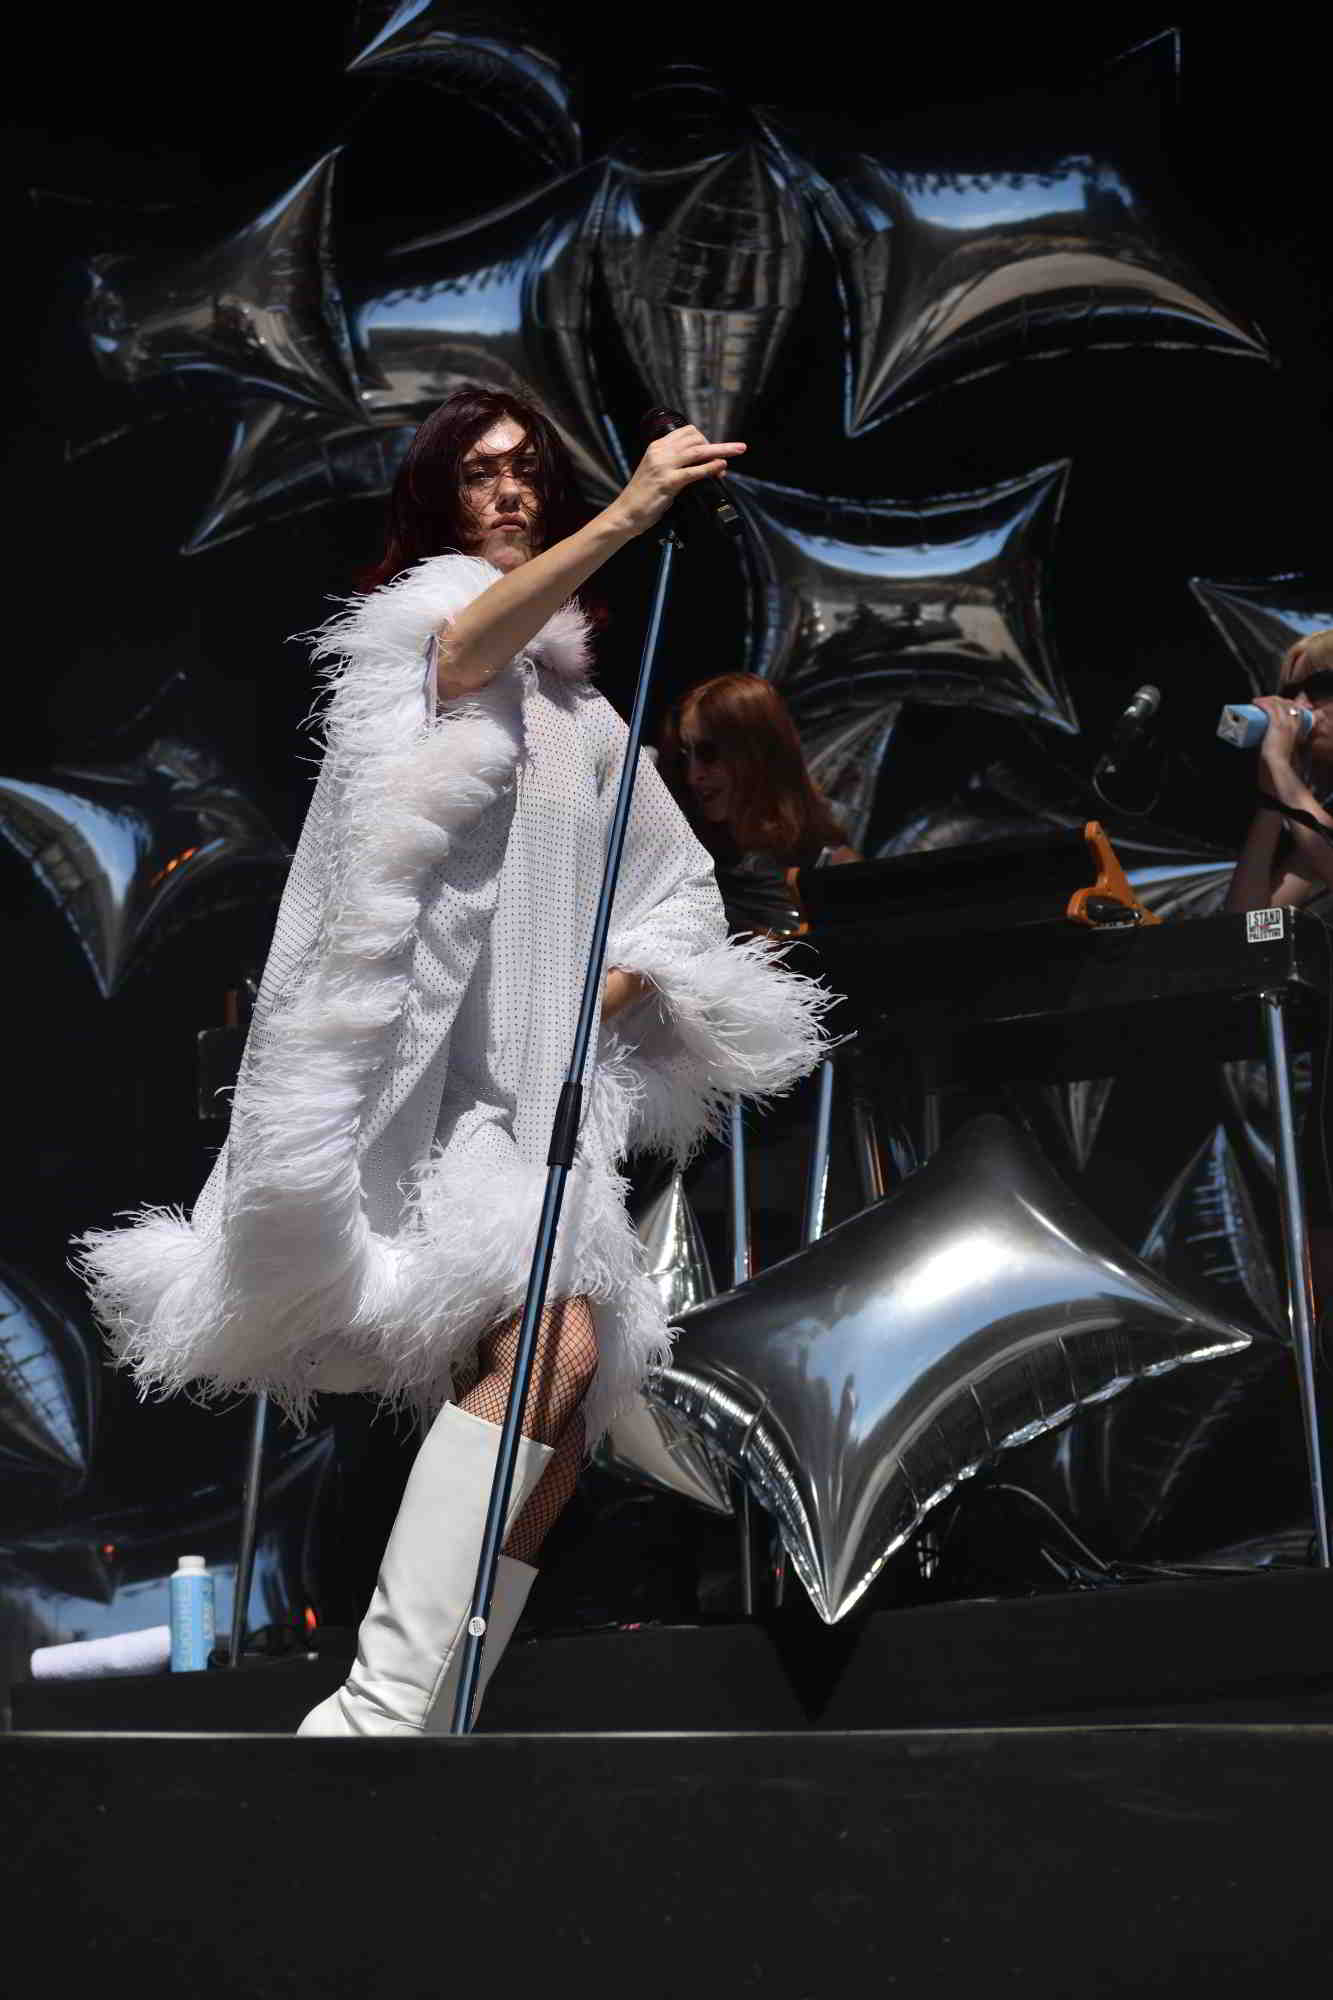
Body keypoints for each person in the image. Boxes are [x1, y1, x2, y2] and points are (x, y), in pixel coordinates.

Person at [74, 388, 833, 1735]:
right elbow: (466, 651)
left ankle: (431, 1706)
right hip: (421, 1097)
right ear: (438, 503)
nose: (511, 489)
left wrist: (626, 978)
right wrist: (634, 508)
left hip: (529, 1106)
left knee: (565, 1392)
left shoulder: (589, 722)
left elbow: (676, 892)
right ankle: (384, 1700)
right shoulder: (422, 643)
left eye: (527, 468)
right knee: (553, 1348)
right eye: (481, 474)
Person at [1223, 627, 1333, 1315]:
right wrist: (1271, 796)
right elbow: (1247, 924)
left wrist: (1287, 780)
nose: (1300, 707)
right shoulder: (1315, 815)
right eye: (1291, 692)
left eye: (1319, 690)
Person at [657, 673, 861, 936]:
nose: (693, 775)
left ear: (757, 754)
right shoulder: (692, 860)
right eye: (687, 754)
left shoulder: (831, 867)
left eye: (709, 754)